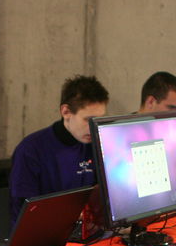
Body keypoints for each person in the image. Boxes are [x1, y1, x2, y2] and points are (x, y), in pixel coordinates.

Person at [8, 75, 109, 223]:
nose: (94, 128)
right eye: (88, 120)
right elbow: (26, 210)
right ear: (66, 112)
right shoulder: (31, 150)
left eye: (98, 120)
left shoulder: (95, 145)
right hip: (43, 233)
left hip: (85, 230)